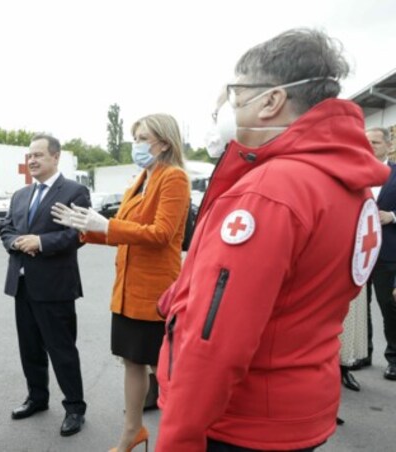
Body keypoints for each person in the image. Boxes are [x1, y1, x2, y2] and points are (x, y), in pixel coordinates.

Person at [153, 29, 391, 451]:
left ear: (271, 101)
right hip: (297, 407)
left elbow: (216, 342)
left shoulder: (270, 191)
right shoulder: (343, 182)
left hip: (237, 421)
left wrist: (177, 440)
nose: (229, 106)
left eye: (236, 93)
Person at [53, 114, 190, 451]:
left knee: (165, 367)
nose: (137, 145)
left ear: (163, 142)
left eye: (142, 138)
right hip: (128, 290)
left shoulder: (173, 179)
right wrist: (87, 227)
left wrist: (107, 226)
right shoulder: (143, 177)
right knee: (132, 361)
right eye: (135, 138)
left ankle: (179, 437)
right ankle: (133, 432)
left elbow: (160, 234)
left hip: (155, 291)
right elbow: (124, 234)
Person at [1, 134, 90, 437]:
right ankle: (37, 398)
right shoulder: (20, 195)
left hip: (55, 287)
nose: (33, 161)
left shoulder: (75, 192)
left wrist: (40, 242)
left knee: (61, 349)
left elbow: (77, 235)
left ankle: (75, 408)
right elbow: (7, 230)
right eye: (29, 156)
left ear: (56, 157)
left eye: (39, 155)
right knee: (29, 348)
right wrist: (16, 242)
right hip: (23, 285)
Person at [364, 127, 396, 381]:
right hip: (357, 254)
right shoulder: (354, 173)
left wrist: (393, 216)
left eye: (375, 141)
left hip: (387, 253)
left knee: (388, 307)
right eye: (367, 142)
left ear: (388, 144)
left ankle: (394, 358)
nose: (371, 145)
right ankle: (363, 351)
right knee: (357, 307)